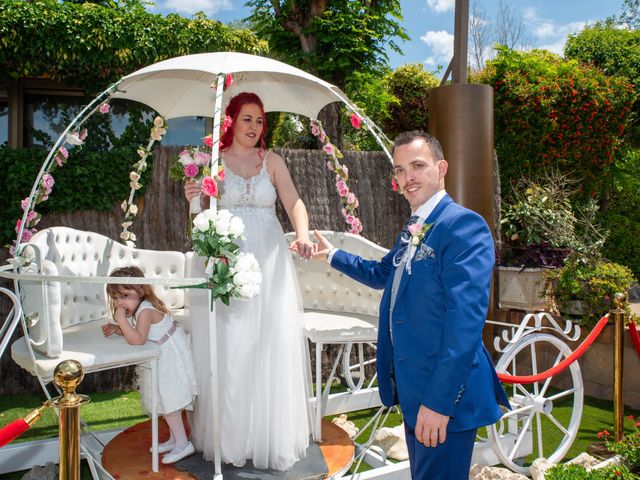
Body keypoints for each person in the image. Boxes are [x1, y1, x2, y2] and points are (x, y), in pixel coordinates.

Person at [313, 131, 510, 479]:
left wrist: (438, 402)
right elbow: (380, 273)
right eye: (400, 170)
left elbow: (464, 324)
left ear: (441, 167)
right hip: (414, 389)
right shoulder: (414, 227)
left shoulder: (462, 226)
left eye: (417, 166)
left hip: (443, 396)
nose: (408, 178)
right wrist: (331, 254)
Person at [184, 92, 313, 470]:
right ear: (231, 121)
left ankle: (267, 436)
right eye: (246, 119)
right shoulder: (213, 164)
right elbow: (201, 218)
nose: (254, 127)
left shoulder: (271, 161)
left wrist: (302, 234)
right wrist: (193, 196)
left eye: (259, 121)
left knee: (267, 345)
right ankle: (230, 438)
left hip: (270, 262)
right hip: (228, 260)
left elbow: (293, 202)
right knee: (229, 350)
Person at [102, 266, 198, 465]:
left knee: (169, 400)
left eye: (125, 295)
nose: (120, 302)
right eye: (115, 297)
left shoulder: (145, 310)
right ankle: (174, 439)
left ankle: (183, 444)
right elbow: (139, 333)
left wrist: (120, 320)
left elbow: (137, 339)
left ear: (141, 291)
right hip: (162, 354)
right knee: (164, 400)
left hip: (169, 359)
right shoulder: (141, 307)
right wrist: (119, 329)